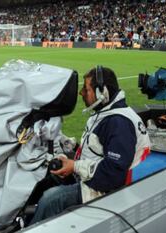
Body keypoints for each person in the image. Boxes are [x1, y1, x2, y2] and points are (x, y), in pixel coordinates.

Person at [29, 66, 151, 224]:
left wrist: (74, 166)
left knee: (50, 199)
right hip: (95, 178)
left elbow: (113, 173)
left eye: (86, 89)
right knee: (43, 181)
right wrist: (70, 153)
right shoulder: (108, 112)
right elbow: (96, 151)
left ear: (102, 93)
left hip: (106, 189)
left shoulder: (118, 123)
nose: (81, 93)